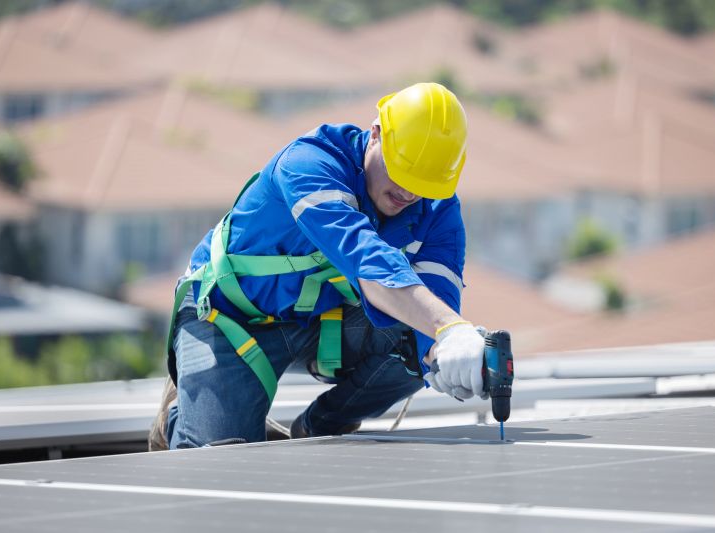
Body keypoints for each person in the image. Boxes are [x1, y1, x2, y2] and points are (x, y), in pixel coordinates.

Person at [149, 82, 488, 451]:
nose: (409, 193)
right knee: (221, 458)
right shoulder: (310, 164)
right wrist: (449, 329)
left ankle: (322, 425)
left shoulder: (437, 206)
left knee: (418, 336)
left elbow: (438, 301)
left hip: (319, 321)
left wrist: (446, 352)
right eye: (403, 173)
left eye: (424, 185)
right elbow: (365, 260)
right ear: (375, 136)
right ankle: (183, 413)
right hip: (227, 317)